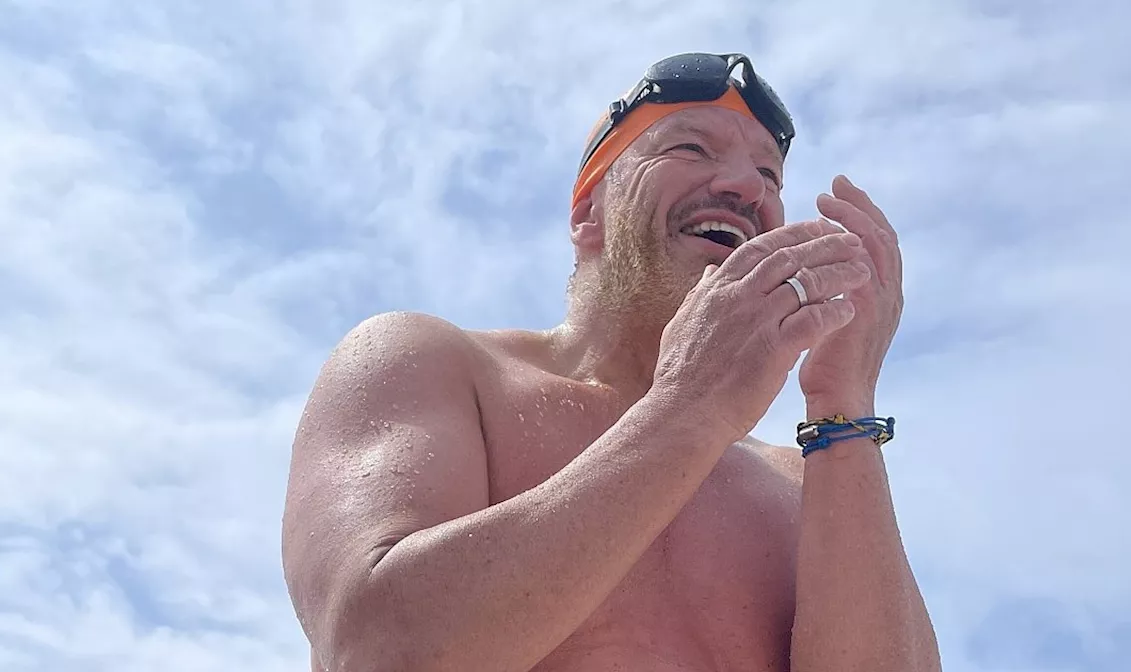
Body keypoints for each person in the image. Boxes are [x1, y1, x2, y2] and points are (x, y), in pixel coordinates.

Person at [281, 52, 941, 672]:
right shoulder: (432, 363)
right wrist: (690, 409)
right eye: (691, 147)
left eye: (769, 175)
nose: (746, 186)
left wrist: (843, 404)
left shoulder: (807, 473)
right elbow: (372, 648)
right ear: (588, 210)